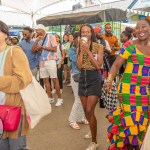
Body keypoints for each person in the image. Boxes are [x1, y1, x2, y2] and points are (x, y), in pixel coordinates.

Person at [105, 19, 150, 150]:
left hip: (144, 92)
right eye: (137, 27)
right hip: (127, 90)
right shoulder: (130, 45)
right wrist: (109, 81)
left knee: (142, 124)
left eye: (143, 26)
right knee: (130, 124)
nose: (140, 30)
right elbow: (116, 65)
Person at [0, 20, 32, 150]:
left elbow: (23, 80)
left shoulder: (14, 52)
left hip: (13, 109)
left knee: (16, 146)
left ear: (5, 34)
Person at [77, 24, 103, 150]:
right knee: (86, 110)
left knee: (89, 110)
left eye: (88, 31)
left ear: (91, 33)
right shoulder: (79, 47)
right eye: (83, 32)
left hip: (94, 77)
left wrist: (88, 51)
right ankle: (92, 130)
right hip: (83, 77)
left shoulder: (99, 46)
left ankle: (94, 141)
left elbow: (98, 65)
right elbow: (79, 66)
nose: (85, 34)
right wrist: (82, 51)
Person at [32, 24, 63, 106]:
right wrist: (36, 41)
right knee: (46, 80)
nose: (35, 32)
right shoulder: (37, 38)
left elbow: (55, 49)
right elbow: (34, 49)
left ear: (41, 29)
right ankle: (50, 98)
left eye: (36, 30)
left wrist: (42, 47)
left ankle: (60, 99)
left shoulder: (51, 36)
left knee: (54, 80)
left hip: (50, 61)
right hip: (41, 62)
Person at [69, 31, 88, 130]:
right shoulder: (72, 50)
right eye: (80, 37)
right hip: (76, 75)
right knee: (78, 99)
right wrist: (78, 51)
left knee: (82, 98)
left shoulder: (85, 49)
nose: (82, 39)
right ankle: (72, 120)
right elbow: (76, 63)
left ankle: (80, 118)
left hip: (84, 75)